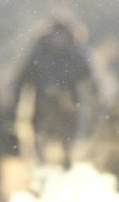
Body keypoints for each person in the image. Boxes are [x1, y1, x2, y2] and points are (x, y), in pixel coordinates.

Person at [13, 20, 94, 169]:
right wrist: (13, 109)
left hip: (67, 112)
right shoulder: (39, 53)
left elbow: (88, 80)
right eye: (56, 35)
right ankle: (42, 170)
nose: (58, 39)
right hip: (42, 111)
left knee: (66, 148)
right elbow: (23, 81)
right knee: (41, 149)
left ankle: (66, 164)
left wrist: (94, 105)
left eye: (62, 35)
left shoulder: (75, 54)